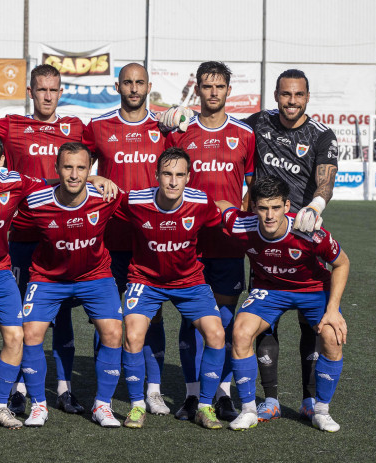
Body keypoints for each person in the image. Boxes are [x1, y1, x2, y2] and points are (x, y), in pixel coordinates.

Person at [241, 69, 339, 421]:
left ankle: (310, 399)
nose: (291, 101)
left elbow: (325, 181)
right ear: (276, 95)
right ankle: (270, 399)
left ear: (307, 97)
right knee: (265, 322)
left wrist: (316, 206)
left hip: (302, 234)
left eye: (298, 95)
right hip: (265, 232)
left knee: (310, 324)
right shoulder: (258, 122)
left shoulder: (321, 136)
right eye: (285, 94)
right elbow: (221, 128)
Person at [216, 175, 348, 432]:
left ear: (287, 206)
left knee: (332, 336)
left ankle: (321, 410)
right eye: (263, 208)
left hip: (312, 290)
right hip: (270, 291)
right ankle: (248, 410)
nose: (269, 215)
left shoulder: (309, 232)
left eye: (276, 207)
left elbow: (342, 263)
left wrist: (332, 310)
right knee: (241, 332)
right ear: (253, 207)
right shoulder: (242, 224)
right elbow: (221, 206)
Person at [165, 61, 255, 422]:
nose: (213, 92)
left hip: (228, 244)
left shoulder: (244, 135)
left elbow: (250, 191)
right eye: (207, 86)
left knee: (226, 320)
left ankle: (222, 393)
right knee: (192, 320)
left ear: (228, 91)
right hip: (189, 243)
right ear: (197, 90)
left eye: (220, 86)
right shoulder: (181, 133)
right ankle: (190, 395)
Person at [11, 142, 123, 427]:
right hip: (48, 277)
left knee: (112, 332)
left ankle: (102, 406)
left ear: (90, 170)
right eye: (68, 167)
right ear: (57, 169)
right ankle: (38, 405)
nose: (74, 174)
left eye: (81, 168)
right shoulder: (36, 202)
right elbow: (5, 217)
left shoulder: (106, 196)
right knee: (31, 333)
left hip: (95, 275)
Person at [0, 64, 87, 415]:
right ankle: (19, 387)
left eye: (54, 89)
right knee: (22, 316)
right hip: (22, 236)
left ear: (60, 91)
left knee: (62, 314)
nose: (48, 96)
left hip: (62, 236)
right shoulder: (9, 125)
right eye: (41, 89)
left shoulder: (76, 128)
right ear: (30, 91)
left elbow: (109, 147)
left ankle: (65, 388)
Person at [82, 63, 171, 416]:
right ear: (117, 86)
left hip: (151, 241)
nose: (134, 88)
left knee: (154, 316)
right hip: (109, 238)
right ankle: (102, 386)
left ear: (148, 85)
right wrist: (92, 179)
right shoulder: (99, 126)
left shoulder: (164, 127)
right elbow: (77, 167)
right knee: (106, 316)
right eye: (127, 83)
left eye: (139, 83)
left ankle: (153, 389)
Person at [115, 147, 226, 429]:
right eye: (167, 174)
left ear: (189, 177)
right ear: (156, 175)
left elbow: (220, 215)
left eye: (179, 175)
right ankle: (137, 406)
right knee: (133, 335)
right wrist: (95, 179)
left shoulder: (200, 202)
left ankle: (204, 406)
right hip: (145, 280)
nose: (173, 181)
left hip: (189, 281)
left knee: (216, 334)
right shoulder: (135, 201)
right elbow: (101, 203)